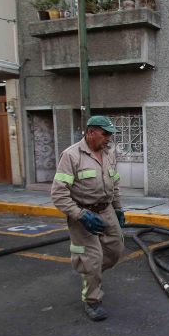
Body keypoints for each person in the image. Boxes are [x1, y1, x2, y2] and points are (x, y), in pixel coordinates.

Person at [51, 116, 126, 321]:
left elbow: (115, 185)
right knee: (92, 259)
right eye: (105, 133)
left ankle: (90, 273)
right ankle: (92, 300)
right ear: (91, 132)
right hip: (83, 214)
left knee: (116, 251)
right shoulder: (71, 156)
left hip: (107, 210)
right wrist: (80, 215)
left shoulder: (108, 154)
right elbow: (58, 194)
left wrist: (118, 210)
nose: (109, 138)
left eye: (110, 134)